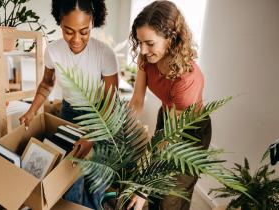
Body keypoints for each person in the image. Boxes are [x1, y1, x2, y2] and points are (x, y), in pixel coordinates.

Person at [19, 0, 119, 209]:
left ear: (93, 22)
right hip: (69, 115)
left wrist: (92, 136)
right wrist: (31, 111)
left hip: (100, 119)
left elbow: (112, 104)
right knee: (70, 180)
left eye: (84, 31)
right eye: (68, 31)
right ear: (60, 23)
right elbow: (47, 84)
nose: (76, 39)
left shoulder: (105, 54)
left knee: (95, 184)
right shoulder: (53, 51)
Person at [127, 1, 212, 210]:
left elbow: (168, 142)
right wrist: (120, 128)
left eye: (150, 43)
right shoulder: (146, 57)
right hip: (166, 116)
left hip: (191, 132)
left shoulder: (187, 79)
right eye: (140, 42)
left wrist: (142, 188)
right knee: (154, 195)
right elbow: (137, 101)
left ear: (171, 39)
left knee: (170, 197)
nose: (143, 50)